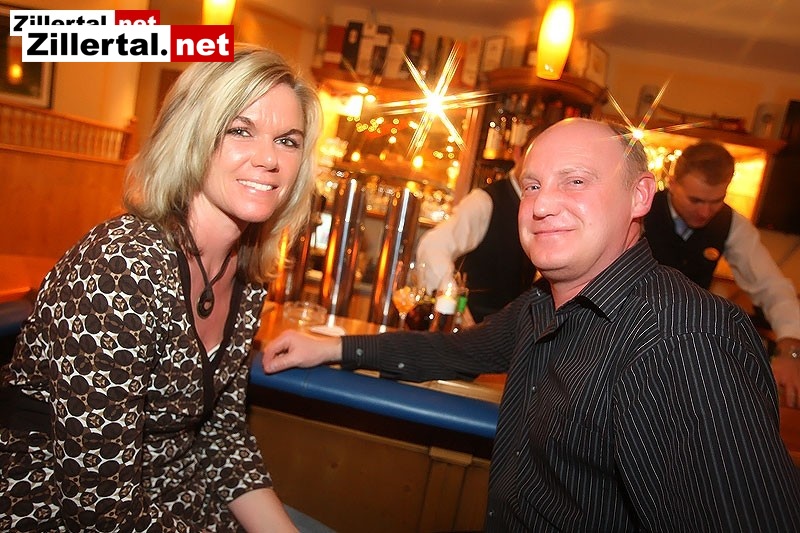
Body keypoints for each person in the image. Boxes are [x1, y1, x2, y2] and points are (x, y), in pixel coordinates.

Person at [263, 118, 800, 531]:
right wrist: (332, 348)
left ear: (640, 196)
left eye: (576, 181)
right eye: (534, 186)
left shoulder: (685, 337)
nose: (543, 206)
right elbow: (456, 352)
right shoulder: (543, 305)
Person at [0, 45, 323, 532]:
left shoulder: (248, 272)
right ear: (192, 137)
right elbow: (97, 501)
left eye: (287, 141)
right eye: (240, 130)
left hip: (174, 494)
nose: (268, 159)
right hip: (53, 506)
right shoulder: (122, 265)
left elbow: (222, 434)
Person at [643, 141, 800, 406]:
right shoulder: (640, 211)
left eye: (716, 201)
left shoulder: (732, 224)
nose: (705, 212)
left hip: (686, 341)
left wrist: (790, 347)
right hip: (630, 330)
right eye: (695, 200)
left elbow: (770, 285)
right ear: (672, 183)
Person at [416, 141, 536, 324]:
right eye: (534, 155)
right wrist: (455, 309)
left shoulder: (539, 206)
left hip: (508, 333)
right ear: (518, 153)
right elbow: (433, 246)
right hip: (473, 331)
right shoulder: (484, 201)